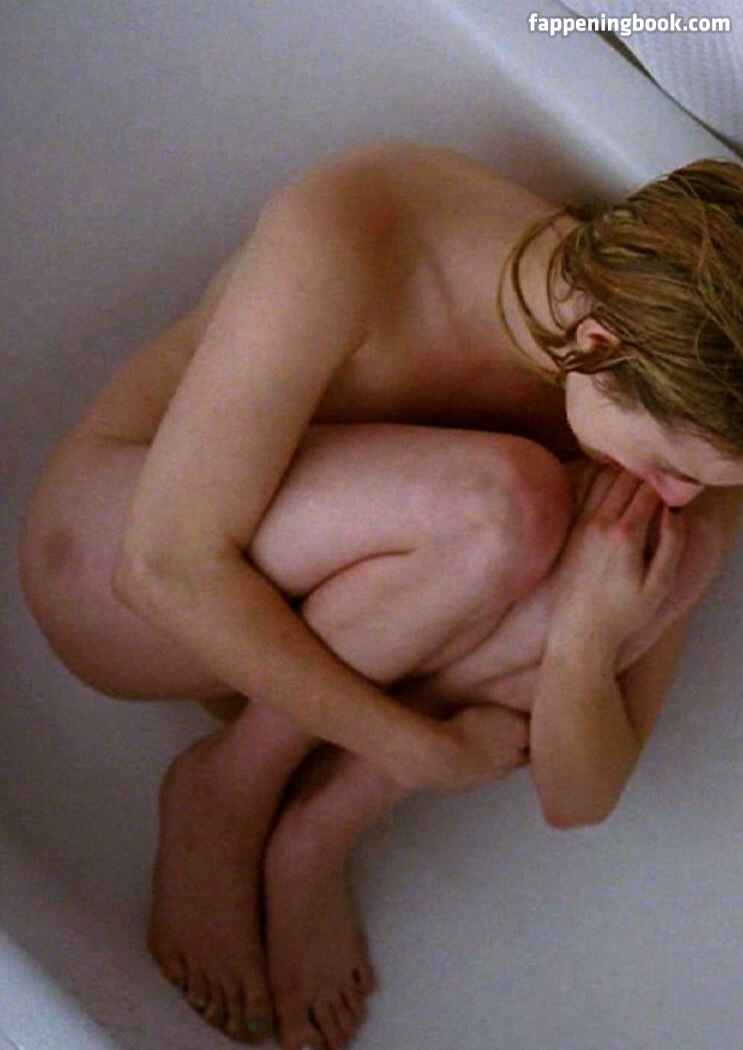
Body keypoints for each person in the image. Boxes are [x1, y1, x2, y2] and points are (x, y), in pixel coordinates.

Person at [18, 141, 743, 1050]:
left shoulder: (701, 416)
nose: (677, 491)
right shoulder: (364, 229)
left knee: (653, 551)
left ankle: (312, 835)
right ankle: (225, 789)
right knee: (505, 505)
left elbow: (578, 798)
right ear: (597, 347)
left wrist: (584, 642)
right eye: (672, 466)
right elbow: (163, 569)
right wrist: (420, 749)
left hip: (309, 612)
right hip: (119, 576)